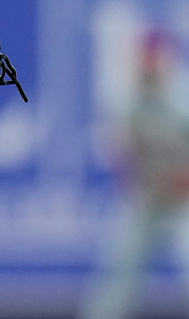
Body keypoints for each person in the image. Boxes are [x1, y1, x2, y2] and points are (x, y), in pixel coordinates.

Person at [80, 27, 189, 319]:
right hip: (147, 198)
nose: (148, 65)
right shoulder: (124, 100)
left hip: (184, 201)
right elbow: (120, 152)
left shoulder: (182, 99)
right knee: (119, 271)